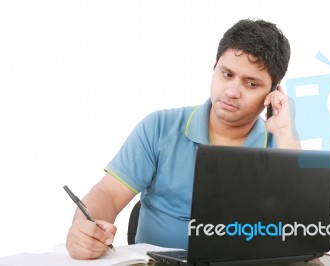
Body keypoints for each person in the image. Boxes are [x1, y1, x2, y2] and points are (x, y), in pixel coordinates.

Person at [66, 18, 301, 260]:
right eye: (227, 74)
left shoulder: (281, 146)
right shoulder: (159, 127)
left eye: (251, 84)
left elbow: (300, 230)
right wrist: (85, 229)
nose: (232, 91)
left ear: (273, 92)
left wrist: (285, 134)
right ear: (214, 68)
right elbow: (108, 194)